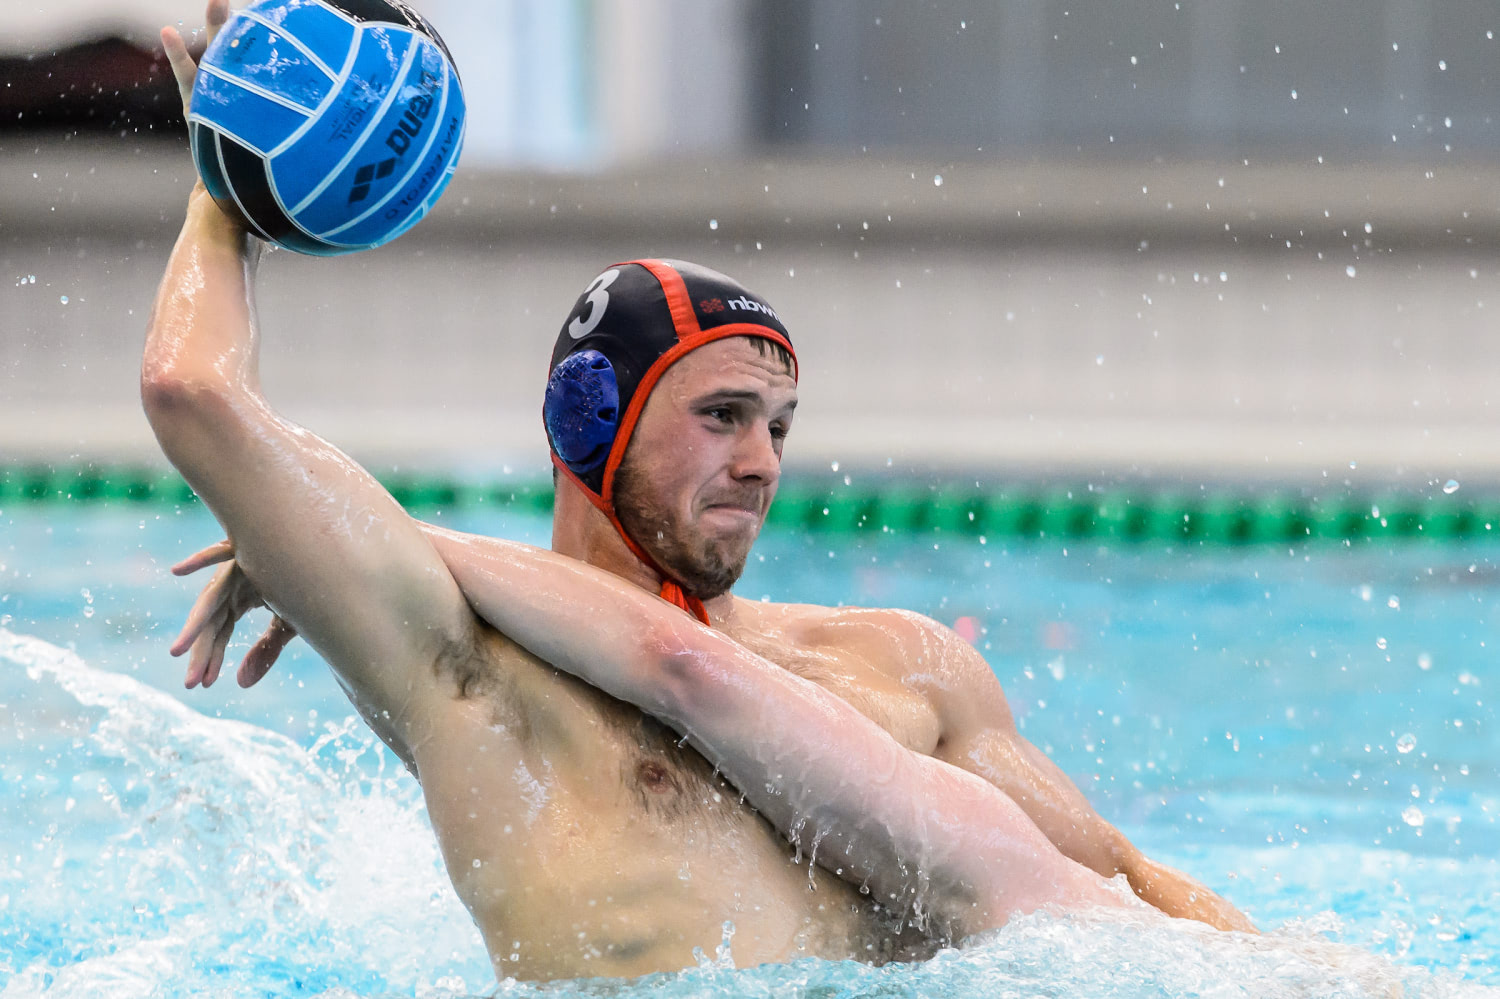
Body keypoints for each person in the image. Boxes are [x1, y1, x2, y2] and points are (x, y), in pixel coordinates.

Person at [150, 1, 1252, 982]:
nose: (764, 460)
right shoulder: (463, 660)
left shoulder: (897, 665)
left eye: (778, 426)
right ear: (592, 422)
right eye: (722, 416)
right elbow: (189, 389)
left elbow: (1122, 885)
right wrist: (224, 196)